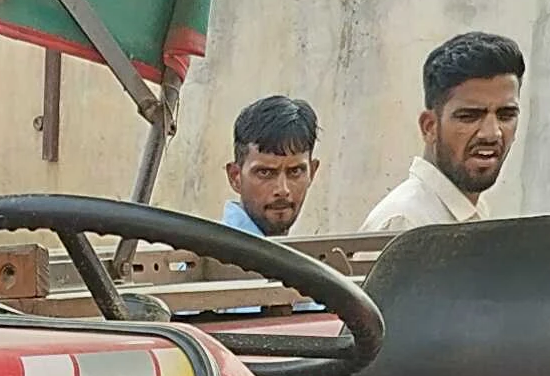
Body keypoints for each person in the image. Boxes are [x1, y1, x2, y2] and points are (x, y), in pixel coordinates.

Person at [360, 31, 522, 239]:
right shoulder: (406, 224)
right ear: (429, 127)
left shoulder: (471, 212)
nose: (491, 133)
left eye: (506, 115)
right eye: (469, 116)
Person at [215, 95, 320, 237]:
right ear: (236, 177)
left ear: (312, 173)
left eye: (295, 171)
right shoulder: (206, 256)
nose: (282, 190)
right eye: (265, 173)